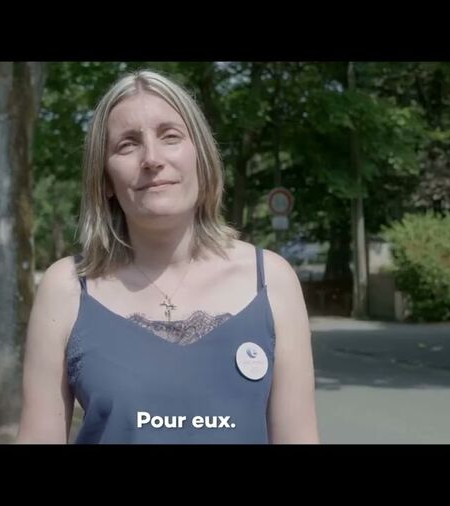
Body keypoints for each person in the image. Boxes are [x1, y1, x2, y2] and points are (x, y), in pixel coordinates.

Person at [17, 69, 319, 444]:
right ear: (105, 180)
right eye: (127, 145)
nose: (152, 158)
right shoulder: (66, 288)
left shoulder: (272, 280)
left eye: (170, 136)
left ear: (201, 158)